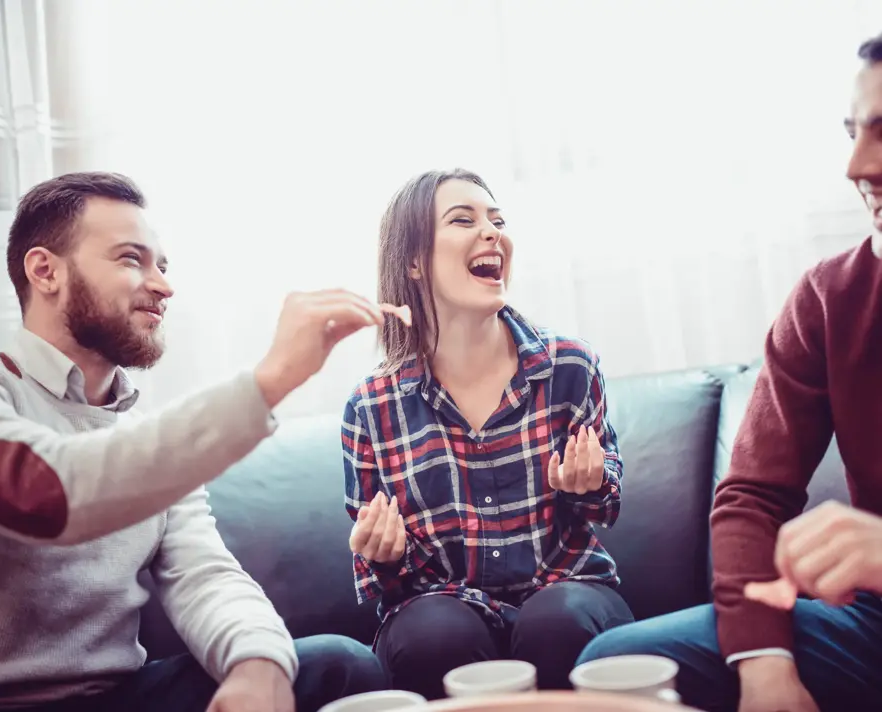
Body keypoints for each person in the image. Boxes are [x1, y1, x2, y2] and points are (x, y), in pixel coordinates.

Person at [0, 172, 387, 712]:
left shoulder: (148, 439)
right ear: (45, 270)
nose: (164, 287)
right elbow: (49, 492)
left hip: (121, 696)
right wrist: (271, 379)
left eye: (163, 266)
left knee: (339, 664)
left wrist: (257, 666)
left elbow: (203, 573)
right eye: (131, 259)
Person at [576, 32, 882, 712]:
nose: (856, 164)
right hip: (874, 629)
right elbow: (750, 498)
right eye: (854, 131)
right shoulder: (831, 297)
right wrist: (764, 664)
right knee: (617, 668)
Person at [341, 168, 634, 699]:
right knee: (432, 635)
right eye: (464, 219)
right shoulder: (371, 407)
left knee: (556, 621)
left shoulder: (570, 366)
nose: (492, 232)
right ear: (412, 260)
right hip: (439, 607)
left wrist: (590, 484)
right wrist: (383, 554)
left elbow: (605, 510)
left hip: (568, 591)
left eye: (498, 220)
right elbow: (380, 578)